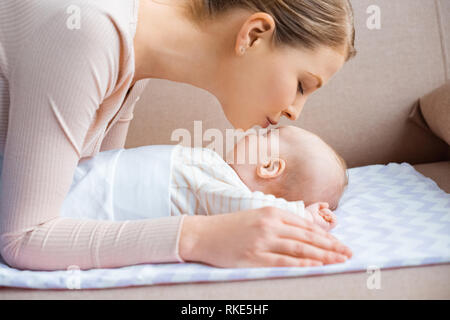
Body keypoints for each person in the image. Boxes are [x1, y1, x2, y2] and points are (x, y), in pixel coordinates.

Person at [0, 0, 356, 271]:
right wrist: (199, 237)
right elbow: (23, 238)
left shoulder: (135, 60)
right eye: (301, 85)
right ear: (254, 34)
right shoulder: (90, 31)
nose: (296, 112)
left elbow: (95, 190)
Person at [60, 125, 348, 234]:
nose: (255, 132)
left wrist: (302, 216)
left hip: (91, 198)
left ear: (269, 167)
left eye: (265, 136)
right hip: (94, 173)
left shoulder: (227, 192)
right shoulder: (218, 171)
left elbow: (255, 209)